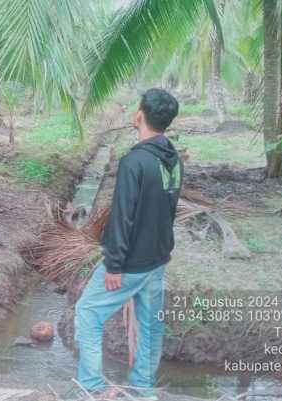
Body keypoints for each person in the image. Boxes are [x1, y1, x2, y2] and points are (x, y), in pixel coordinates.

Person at [74, 88, 182, 400]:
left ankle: (91, 387)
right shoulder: (173, 159)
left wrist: (114, 264)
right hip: (158, 259)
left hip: (131, 262)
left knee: (87, 312)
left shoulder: (134, 162)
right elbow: (167, 211)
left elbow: (122, 218)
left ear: (139, 115)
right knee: (150, 327)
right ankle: (142, 390)